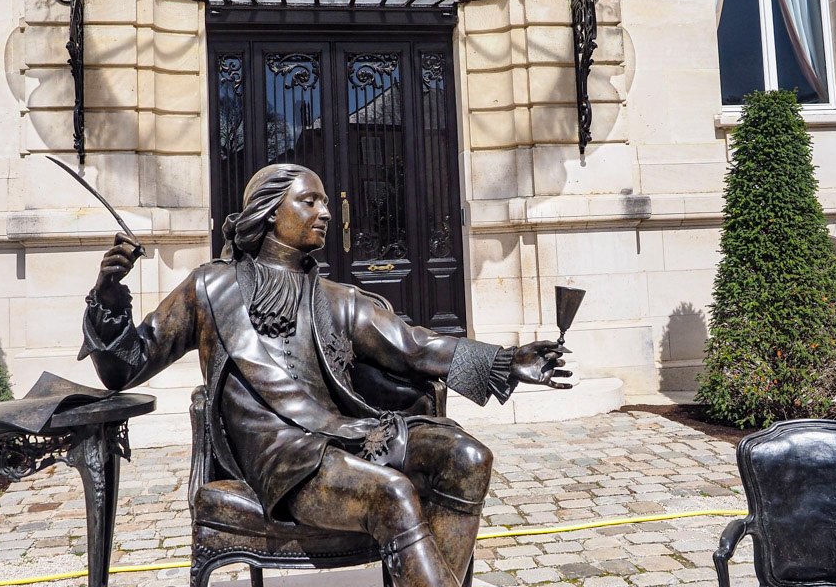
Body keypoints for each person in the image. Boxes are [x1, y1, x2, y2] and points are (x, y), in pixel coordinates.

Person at [80, 164, 571, 587]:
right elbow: (126, 366)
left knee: (468, 456)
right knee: (392, 492)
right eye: (309, 201)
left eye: (324, 203)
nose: (326, 212)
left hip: (344, 435)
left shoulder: (338, 299)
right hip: (276, 454)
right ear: (271, 211)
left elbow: (417, 347)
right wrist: (107, 293)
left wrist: (505, 361)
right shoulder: (211, 287)